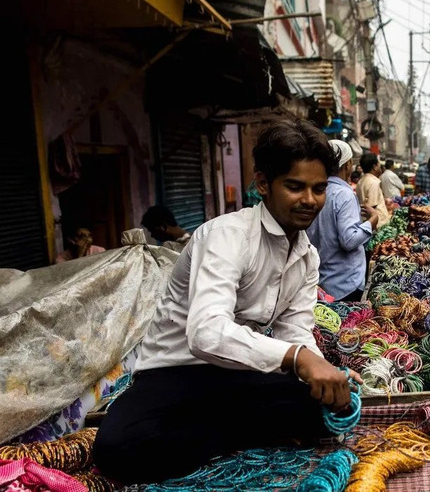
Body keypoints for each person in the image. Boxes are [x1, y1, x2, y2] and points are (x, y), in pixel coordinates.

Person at [92, 119, 363, 484]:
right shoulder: (225, 236)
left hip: (238, 371)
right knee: (116, 450)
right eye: (295, 187)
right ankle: (240, 430)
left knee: (323, 407)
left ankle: (222, 430)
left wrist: (324, 372)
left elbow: (294, 332)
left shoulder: (306, 257)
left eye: (318, 189)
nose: (309, 200)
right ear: (264, 184)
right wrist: (300, 359)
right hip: (176, 371)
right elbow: (206, 333)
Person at [307, 140, 379, 302]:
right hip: (345, 283)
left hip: (324, 279)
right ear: (347, 165)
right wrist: (372, 221)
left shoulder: (318, 191)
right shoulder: (343, 194)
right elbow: (349, 240)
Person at [356, 153, 390, 228]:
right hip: (378, 226)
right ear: (374, 167)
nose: (380, 167)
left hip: (367, 223)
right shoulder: (373, 182)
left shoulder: (360, 182)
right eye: (378, 164)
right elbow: (371, 207)